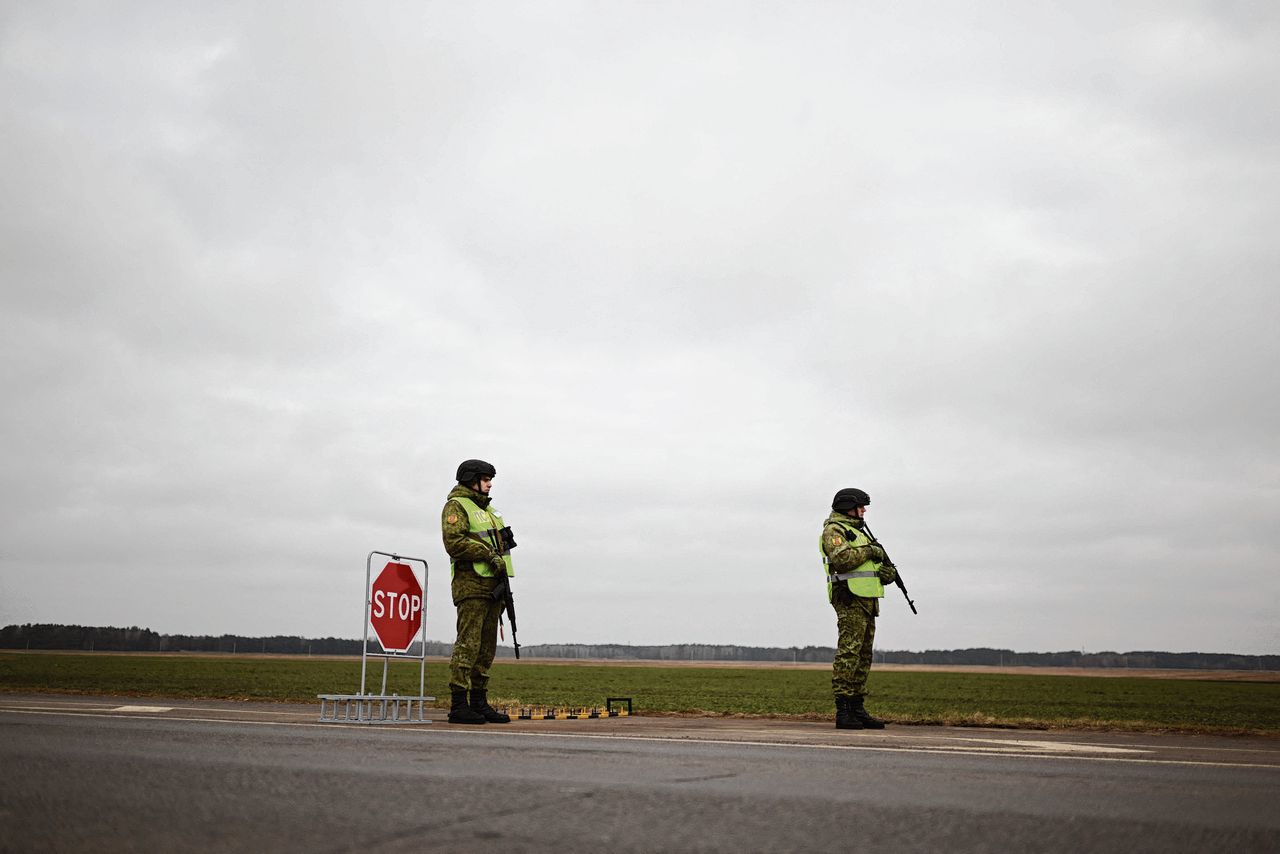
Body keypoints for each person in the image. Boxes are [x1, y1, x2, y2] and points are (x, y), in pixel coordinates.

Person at [441, 458, 516, 725]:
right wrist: (487, 554)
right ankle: (459, 704)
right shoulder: (457, 506)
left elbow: (503, 549)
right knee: (468, 645)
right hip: (471, 585)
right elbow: (454, 542)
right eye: (485, 479)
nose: (490, 484)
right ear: (472, 480)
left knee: (486, 649)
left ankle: (479, 702)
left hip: (493, 588)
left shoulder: (490, 512)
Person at [821, 487, 898, 730]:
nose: (864, 511)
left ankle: (857, 707)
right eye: (860, 506)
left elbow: (866, 567)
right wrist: (872, 551)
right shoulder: (834, 531)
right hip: (849, 598)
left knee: (863, 656)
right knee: (849, 653)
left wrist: (885, 573)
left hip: (867, 600)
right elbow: (843, 561)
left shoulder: (859, 533)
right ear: (848, 507)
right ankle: (843, 710)